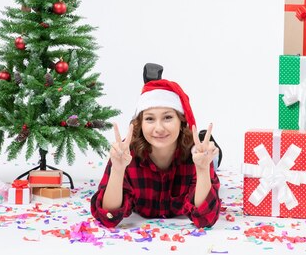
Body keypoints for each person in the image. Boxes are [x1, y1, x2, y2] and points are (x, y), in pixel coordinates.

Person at [90, 79, 221, 228]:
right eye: (150, 119)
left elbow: (206, 219)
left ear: (181, 121)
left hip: (197, 153)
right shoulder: (125, 153)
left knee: (212, 156)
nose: (159, 128)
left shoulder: (196, 154)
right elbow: (107, 217)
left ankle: (213, 153)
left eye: (167, 117)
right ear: (140, 124)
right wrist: (118, 170)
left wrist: (203, 169)